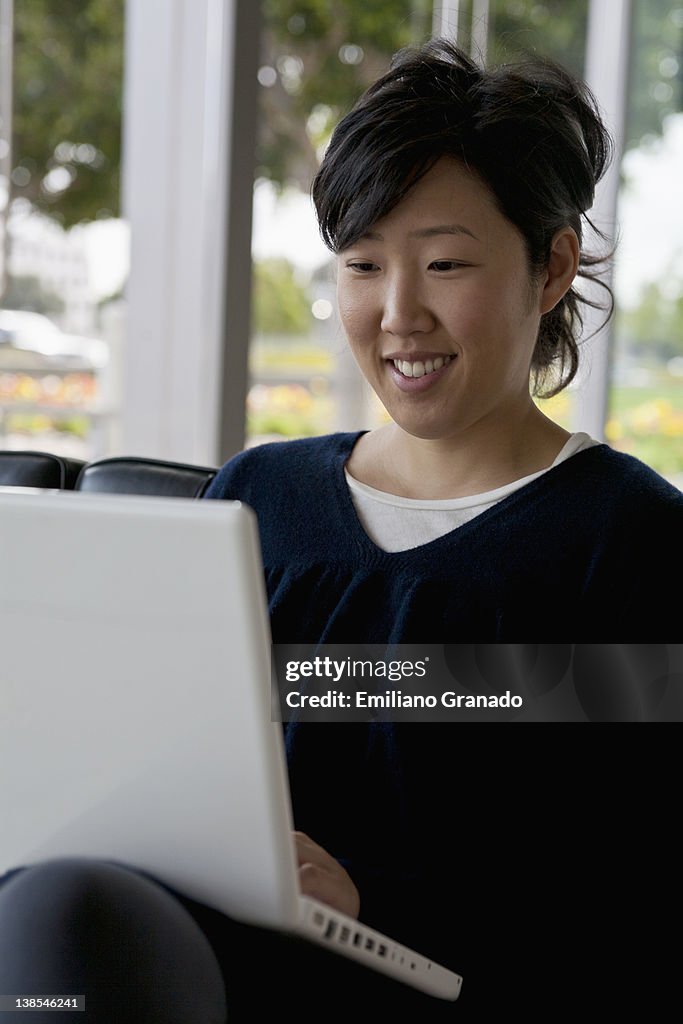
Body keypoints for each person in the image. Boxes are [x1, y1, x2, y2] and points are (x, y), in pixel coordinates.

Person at [1, 38, 681, 1023]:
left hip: (437, 985)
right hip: (184, 949)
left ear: (550, 268)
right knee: (57, 908)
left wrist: (367, 901)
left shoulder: (630, 547)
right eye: (362, 265)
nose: (398, 313)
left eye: (444, 262)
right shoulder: (256, 501)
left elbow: (635, 906)